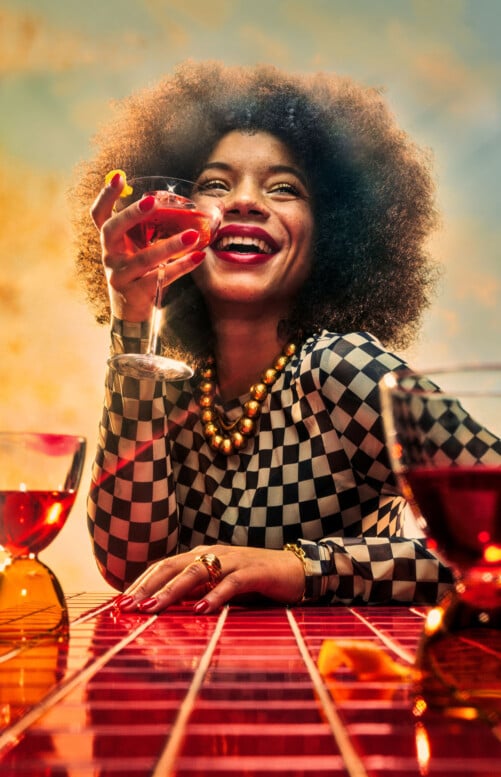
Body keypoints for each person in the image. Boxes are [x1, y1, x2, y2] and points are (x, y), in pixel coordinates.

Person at [72, 59, 455, 613]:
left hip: (348, 685)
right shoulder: (173, 390)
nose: (246, 201)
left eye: (284, 188)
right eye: (214, 185)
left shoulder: (341, 368)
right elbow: (130, 567)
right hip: (197, 689)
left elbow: (486, 538)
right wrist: (131, 317)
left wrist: (303, 567)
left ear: (333, 234)